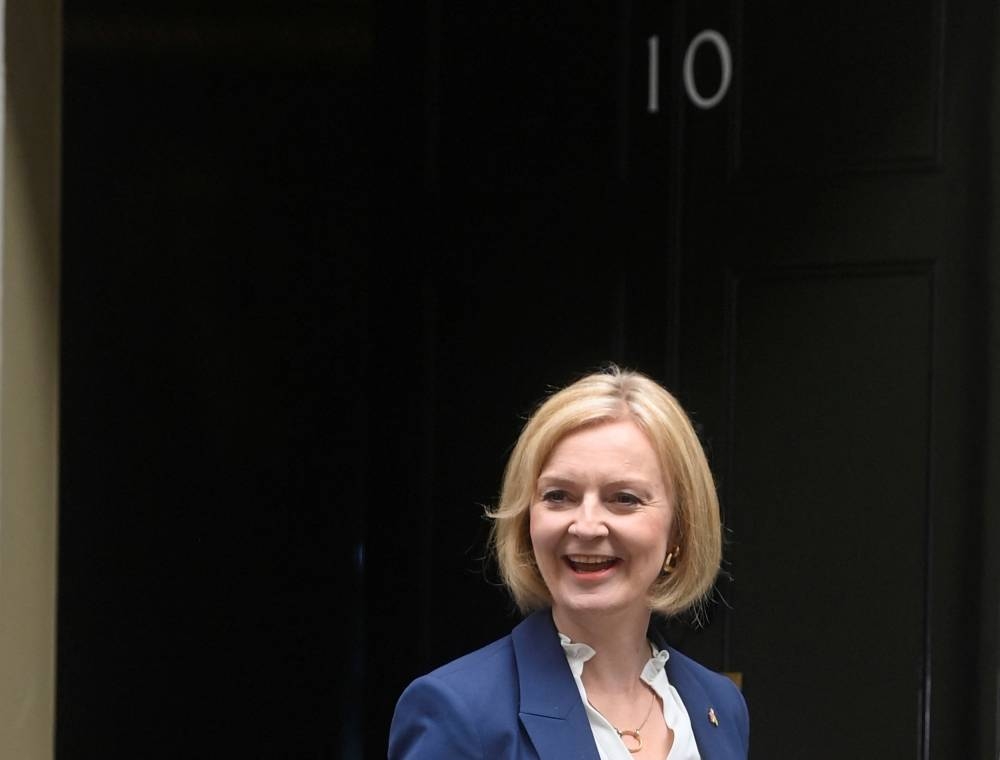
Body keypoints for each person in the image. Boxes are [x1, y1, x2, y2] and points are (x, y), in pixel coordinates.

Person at [388, 366, 749, 759]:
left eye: (624, 498)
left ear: (679, 530)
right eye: (558, 496)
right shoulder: (457, 710)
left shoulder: (720, 705)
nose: (587, 525)